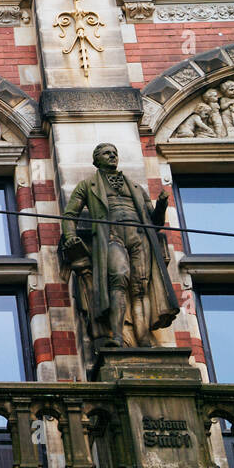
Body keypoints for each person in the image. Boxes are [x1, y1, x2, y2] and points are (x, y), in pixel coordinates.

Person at [61, 143, 179, 348]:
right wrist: (70, 236)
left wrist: (161, 205)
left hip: (139, 236)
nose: (113, 156)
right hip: (111, 236)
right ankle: (116, 335)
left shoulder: (135, 186)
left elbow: (155, 222)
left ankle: (142, 337)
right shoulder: (88, 185)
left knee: (140, 286)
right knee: (118, 279)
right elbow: (70, 215)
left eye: (115, 153)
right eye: (107, 153)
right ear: (96, 159)